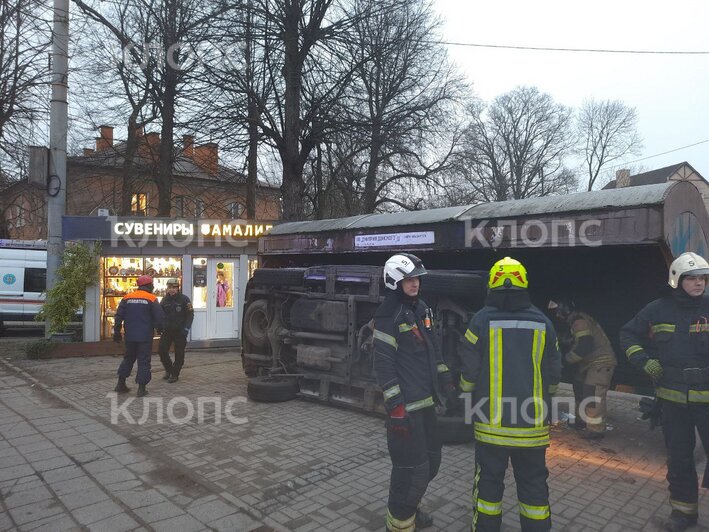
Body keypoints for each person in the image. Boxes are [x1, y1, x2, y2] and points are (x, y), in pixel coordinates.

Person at [459, 257, 561, 532]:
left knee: (489, 489)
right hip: (532, 426)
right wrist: (547, 402)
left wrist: (466, 394)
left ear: (492, 283)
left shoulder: (481, 320)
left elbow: (469, 367)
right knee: (534, 489)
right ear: (524, 283)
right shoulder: (543, 322)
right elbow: (554, 371)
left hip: (490, 425)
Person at [620, 251, 709, 532]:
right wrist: (644, 361)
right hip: (672, 400)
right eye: (692, 278)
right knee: (679, 459)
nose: (699, 284)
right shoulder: (657, 309)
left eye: (703, 278)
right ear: (677, 280)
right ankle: (683, 514)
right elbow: (627, 334)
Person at [373, 253, 457, 532]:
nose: (415, 284)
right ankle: (398, 524)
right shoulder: (389, 316)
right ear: (394, 280)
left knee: (432, 462)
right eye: (409, 279)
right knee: (411, 471)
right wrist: (395, 409)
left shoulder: (420, 309)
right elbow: (383, 367)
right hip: (406, 409)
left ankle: (411, 506)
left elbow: (433, 349)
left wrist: (446, 378)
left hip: (427, 404)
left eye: (417, 279)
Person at [548, 299, 616, 439]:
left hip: (600, 363)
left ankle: (596, 430)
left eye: (558, 312)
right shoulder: (577, 322)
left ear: (565, 310)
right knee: (579, 387)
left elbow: (585, 345)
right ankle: (581, 420)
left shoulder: (580, 322)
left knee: (592, 393)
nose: (557, 316)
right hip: (588, 364)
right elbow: (577, 341)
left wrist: (565, 360)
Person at [113, 275, 165, 397]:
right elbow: (159, 317)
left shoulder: (127, 297)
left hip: (130, 336)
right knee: (144, 360)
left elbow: (118, 316)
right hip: (145, 336)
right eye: (152, 284)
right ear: (149, 285)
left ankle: (120, 384)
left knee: (128, 358)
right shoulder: (151, 298)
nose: (153, 286)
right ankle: (141, 389)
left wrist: (116, 332)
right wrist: (160, 329)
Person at [158, 278, 194, 383]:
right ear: (167, 288)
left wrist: (186, 329)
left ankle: (175, 374)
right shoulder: (164, 300)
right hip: (167, 331)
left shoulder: (184, 299)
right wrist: (160, 327)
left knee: (179, 354)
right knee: (162, 351)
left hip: (180, 332)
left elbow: (190, 315)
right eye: (170, 287)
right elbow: (160, 315)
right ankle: (169, 370)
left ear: (178, 288)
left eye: (174, 287)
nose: (172, 290)